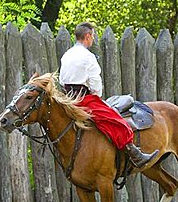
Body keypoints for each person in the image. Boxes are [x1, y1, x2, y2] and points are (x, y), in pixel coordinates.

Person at [59, 21, 159, 168]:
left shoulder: (66, 55)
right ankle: (135, 154)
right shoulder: (88, 56)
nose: (92, 39)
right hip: (84, 100)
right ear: (87, 36)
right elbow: (95, 82)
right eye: (92, 36)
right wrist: (96, 97)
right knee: (116, 122)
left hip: (68, 99)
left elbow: (62, 80)